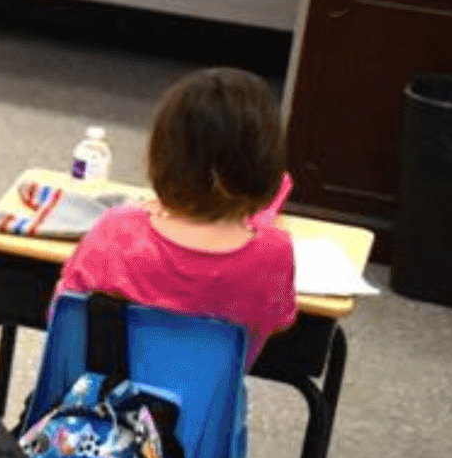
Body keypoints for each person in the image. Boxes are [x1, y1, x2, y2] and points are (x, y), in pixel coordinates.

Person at [58, 67, 297, 357]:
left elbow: (63, 318)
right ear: (267, 163)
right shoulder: (273, 254)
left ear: (161, 154)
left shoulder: (116, 231)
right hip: (208, 403)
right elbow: (277, 323)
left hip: (101, 398)